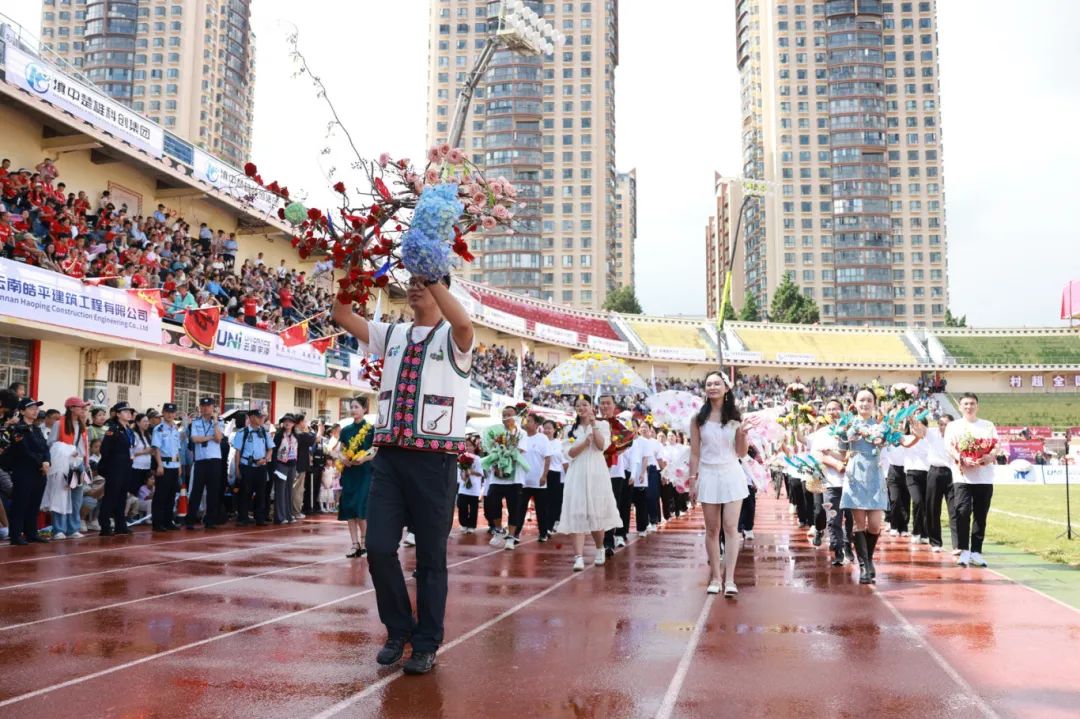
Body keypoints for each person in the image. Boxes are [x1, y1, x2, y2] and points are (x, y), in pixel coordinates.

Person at [332, 272, 474, 676]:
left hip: (434, 461)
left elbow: (464, 324)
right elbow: (342, 314)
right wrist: (352, 269)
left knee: (430, 558)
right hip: (390, 460)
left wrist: (433, 274)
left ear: (441, 289)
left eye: (423, 281)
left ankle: (426, 643)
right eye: (411, 280)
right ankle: (398, 630)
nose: (413, 286)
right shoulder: (392, 334)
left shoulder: (454, 337)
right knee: (378, 548)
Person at [689, 372, 748, 597]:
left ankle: (730, 579)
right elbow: (695, 453)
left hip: (731, 473)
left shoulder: (735, 417)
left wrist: (743, 434)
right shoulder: (698, 419)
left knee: (731, 527)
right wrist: (692, 481)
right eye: (708, 384)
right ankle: (715, 577)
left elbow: (741, 452)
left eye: (717, 383)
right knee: (712, 529)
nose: (712, 387)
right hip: (708, 474)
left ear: (726, 388)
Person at [559, 395, 623, 571]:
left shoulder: (603, 425)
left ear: (591, 407)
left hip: (596, 473)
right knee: (577, 513)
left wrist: (594, 425)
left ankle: (600, 548)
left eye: (585, 405)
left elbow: (602, 446)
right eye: (578, 406)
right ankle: (578, 557)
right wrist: (584, 443)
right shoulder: (569, 429)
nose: (581, 408)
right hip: (577, 474)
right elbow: (569, 454)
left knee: (596, 513)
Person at [944, 394, 998, 568]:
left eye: (972, 403)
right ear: (960, 407)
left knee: (981, 515)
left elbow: (996, 445)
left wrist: (990, 456)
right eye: (966, 404)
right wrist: (961, 458)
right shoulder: (953, 426)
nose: (969, 407)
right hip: (962, 477)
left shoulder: (988, 425)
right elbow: (949, 446)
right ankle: (964, 550)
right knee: (962, 512)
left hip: (984, 477)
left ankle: (976, 552)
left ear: (977, 406)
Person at [809, 398, 853, 566]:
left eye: (835, 409)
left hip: (852, 482)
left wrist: (843, 461)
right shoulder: (822, 433)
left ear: (842, 411)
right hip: (831, 482)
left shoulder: (852, 430)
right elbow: (818, 455)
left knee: (851, 519)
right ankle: (837, 550)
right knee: (833, 518)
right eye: (829, 410)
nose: (832, 412)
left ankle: (848, 545)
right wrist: (836, 464)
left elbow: (855, 452)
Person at [5, 398, 51, 545]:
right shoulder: (17, 428)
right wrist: (41, 463)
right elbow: (23, 450)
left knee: (34, 503)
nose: (35, 411)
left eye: (36, 408)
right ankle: (15, 535)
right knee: (20, 503)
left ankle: (31, 532)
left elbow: (45, 448)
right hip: (24, 471)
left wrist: (47, 461)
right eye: (31, 408)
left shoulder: (36, 428)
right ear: (22, 411)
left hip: (39, 471)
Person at [44, 396, 90, 539]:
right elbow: (51, 443)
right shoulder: (59, 424)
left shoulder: (81, 424)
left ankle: (73, 528)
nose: (83, 409)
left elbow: (84, 446)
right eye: (80, 407)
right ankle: (58, 529)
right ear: (71, 408)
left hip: (79, 463)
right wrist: (67, 451)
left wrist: (85, 463)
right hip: (62, 464)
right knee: (60, 496)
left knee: (76, 498)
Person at [337, 397, 377, 558]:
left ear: (364, 409)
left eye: (356, 407)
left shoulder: (371, 429)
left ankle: (365, 542)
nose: (353, 410)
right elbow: (340, 449)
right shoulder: (345, 430)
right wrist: (342, 458)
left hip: (365, 472)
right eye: (351, 407)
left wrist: (364, 458)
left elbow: (375, 450)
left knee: (361, 506)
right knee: (349, 507)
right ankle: (355, 544)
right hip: (349, 473)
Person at [485, 406, 525, 548]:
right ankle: (498, 530)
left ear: (516, 416)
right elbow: (490, 450)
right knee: (492, 503)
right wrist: (496, 463)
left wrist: (506, 458)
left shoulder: (521, 433)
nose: (506, 416)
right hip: (496, 478)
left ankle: (511, 537)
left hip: (515, 478)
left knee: (514, 508)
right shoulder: (496, 433)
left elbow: (520, 451)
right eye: (504, 414)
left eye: (509, 414)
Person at [509, 412, 551, 545]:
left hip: (538, 481)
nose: (526, 423)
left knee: (541, 509)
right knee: (520, 509)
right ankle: (516, 533)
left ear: (537, 424)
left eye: (530, 421)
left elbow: (547, 457)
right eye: (526, 420)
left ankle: (543, 533)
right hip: (523, 480)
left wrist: (544, 475)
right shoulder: (520, 437)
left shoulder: (542, 438)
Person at [186, 397, 225, 529]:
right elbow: (195, 439)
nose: (205, 408)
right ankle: (190, 520)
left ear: (213, 408)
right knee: (196, 491)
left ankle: (211, 520)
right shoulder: (196, 422)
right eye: (203, 406)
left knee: (213, 491)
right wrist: (210, 437)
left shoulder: (219, 422)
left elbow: (219, 438)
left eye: (208, 406)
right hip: (201, 460)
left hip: (215, 460)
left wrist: (215, 422)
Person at [98, 401, 135, 536]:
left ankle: (120, 525)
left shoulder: (128, 430)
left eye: (129, 412)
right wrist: (111, 465)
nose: (128, 414)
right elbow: (104, 449)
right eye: (125, 412)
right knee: (111, 496)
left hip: (126, 466)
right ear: (118, 414)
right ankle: (105, 525)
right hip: (115, 467)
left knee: (122, 497)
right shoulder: (113, 429)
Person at [231, 409, 273, 525]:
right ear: (252, 418)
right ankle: (243, 518)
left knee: (261, 493)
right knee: (245, 492)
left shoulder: (264, 432)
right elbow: (237, 452)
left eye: (262, 417)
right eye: (259, 417)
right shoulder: (242, 432)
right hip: (247, 466)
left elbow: (270, 449)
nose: (262, 419)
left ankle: (260, 518)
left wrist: (265, 459)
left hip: (261, 466)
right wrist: (237, 469)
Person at [924, 414, 957, 553]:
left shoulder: (957, 437)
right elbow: (918, 428)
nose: (943, 427)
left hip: (952, 474)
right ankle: (935, 542)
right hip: (935, 472)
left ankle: (958, 545)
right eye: (941, 424)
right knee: (933, 508)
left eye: (946, 424)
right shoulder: (932, 434)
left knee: (955, 509)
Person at [151, 403, 183, 531]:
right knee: (161, 495)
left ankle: (168, 521)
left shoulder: (175, 429)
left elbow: (177, 449)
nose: (170, 415)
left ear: (175, 414)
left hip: (174, 465)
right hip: (164, 465)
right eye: (167, 412)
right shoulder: (158, 429)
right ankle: (157, 523)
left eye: (172, 412)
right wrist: (159, 465)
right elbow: (156, 449)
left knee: (171, 495)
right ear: (163, 413)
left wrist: (179, 465)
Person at [540, 420, 566, 537]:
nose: (547, 430)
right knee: (543, 501)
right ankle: (544, 527)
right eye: (545, 428)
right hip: (541, 474)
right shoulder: (540, 442)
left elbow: (564, 462)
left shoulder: (559, 444)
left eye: (549, 428)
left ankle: (549, 526)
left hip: (555, 474)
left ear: (554, 430)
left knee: (554, 502)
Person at [271, 414, 298, 524]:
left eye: (290, 421)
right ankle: (280, 517)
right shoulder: (279, 435)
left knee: (289, 490)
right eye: (285, 421)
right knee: (280, 491)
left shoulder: (296, 435)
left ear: (293, 424)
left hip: (292, 465)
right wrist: (274, 466)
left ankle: (288, 515)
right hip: (281, 464)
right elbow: (273, 451)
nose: (287, 423)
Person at [292, 415, 320, 521]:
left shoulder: (295, 433)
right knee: (297, 489)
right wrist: (320, 429)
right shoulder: (299, 434)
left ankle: (294, 511)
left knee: (297, 489)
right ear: (300, 422)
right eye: (305, 421)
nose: (306, 423)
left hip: (297, 465)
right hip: (299, 465)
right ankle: (296, 511)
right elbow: (316, 438)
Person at [456, 436, 484, 534]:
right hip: (463, 487)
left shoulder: (478, 459)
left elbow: (481, 473)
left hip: (474, 488)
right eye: (466, 445)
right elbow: (460, 473)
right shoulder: (461, 457)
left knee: (473, 508)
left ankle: (471, 525)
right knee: (461, 505)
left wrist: (471, 472)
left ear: (474, 447)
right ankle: (464, 524)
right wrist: (464, 475)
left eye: (470, 445)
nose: (468, 447)